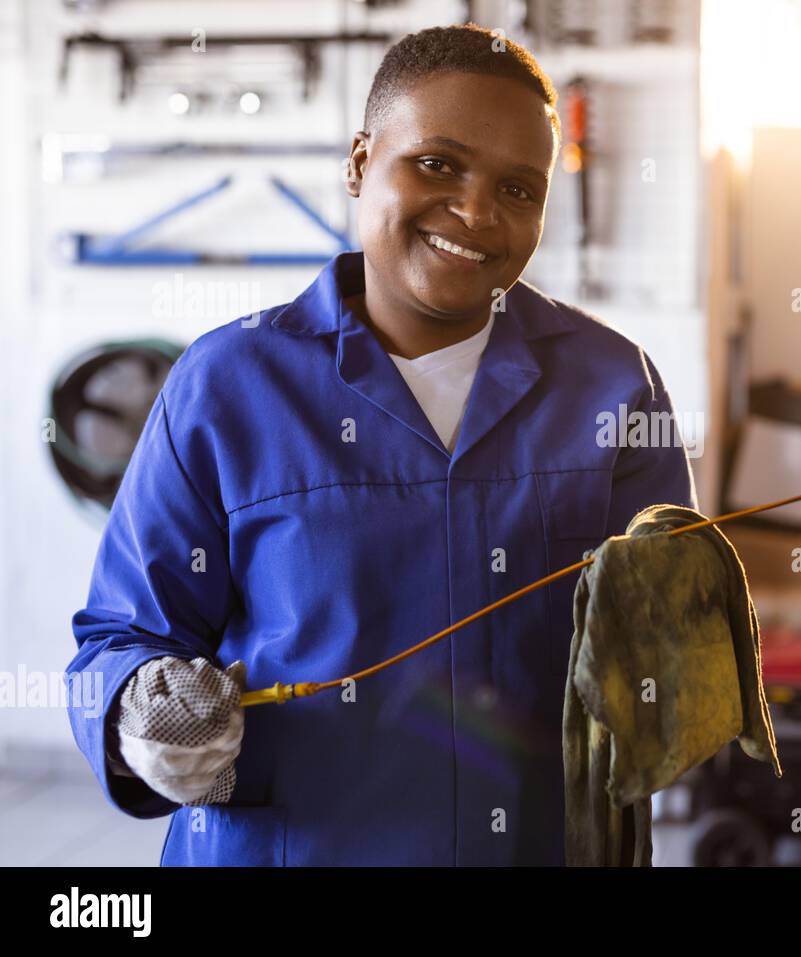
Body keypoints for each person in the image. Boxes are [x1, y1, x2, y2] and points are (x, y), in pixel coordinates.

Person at [65, 24, 696, 866]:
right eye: (437, 163)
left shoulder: (613, 387)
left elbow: (665, 654)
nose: (477, 212)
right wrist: (139, 709)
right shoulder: (227, 385)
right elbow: (119, 635)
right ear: (362, 162)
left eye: (518, 188)